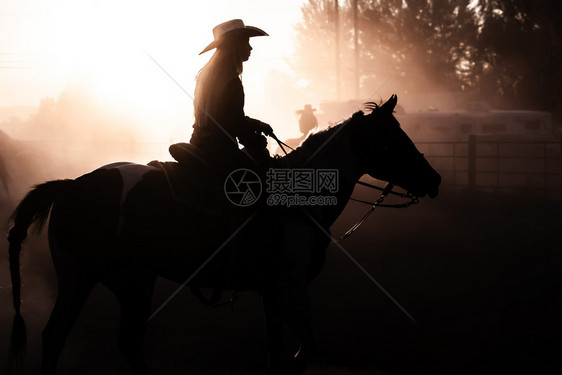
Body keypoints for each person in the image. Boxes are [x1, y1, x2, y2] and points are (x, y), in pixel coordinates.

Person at [189, 19, 273, 168]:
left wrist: (256, 124)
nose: (250, 47)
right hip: (220, 152)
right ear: (235, 45)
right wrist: (256, 142)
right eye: (246, 42)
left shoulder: (205, 77)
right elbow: (235, 124)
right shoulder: (231, 82)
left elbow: (226, 116)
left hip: (199, 145)